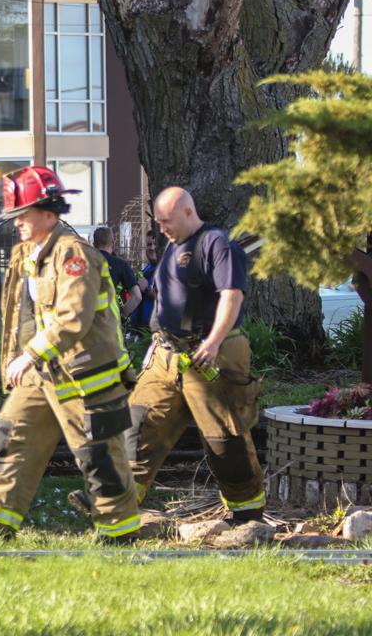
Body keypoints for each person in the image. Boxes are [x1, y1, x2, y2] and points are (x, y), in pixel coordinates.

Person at [0, 166, 140, 541]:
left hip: (88, 377)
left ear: (49, 214)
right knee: (12, 437)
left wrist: (29, 356)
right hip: (43, 372)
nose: (16, 221)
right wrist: (16, 363)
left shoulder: (74, 256)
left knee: (100, 455)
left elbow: (73, 317)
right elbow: (24, 318)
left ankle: (120, 532)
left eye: (24, 212)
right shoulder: (26, 255)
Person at [118, 187, 265, 522]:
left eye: (167, 221)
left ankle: (246, 513)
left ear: (187, 212)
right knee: (137, 423)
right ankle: (117, 504)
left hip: (211, 354)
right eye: (159, 222)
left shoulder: (215, 243)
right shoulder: (173, 246)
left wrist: (213, 341)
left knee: (223, 438)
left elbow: (231, 295)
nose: (162, 228)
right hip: (167, 355)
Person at [92, 226, 141, 319]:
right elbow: (137, 296)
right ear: (113, 244)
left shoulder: (83, 262)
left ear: (93, 244)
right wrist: (121, 315)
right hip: (108, 322)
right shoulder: (120, 264)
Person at [131, 233, 159, 329]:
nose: (152, 248)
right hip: (139, 332)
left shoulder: (167, 270)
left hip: (155, 333)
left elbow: (170, 300)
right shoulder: (146, 269)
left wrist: (147, 289)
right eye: (149, 244)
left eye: (155, 244)